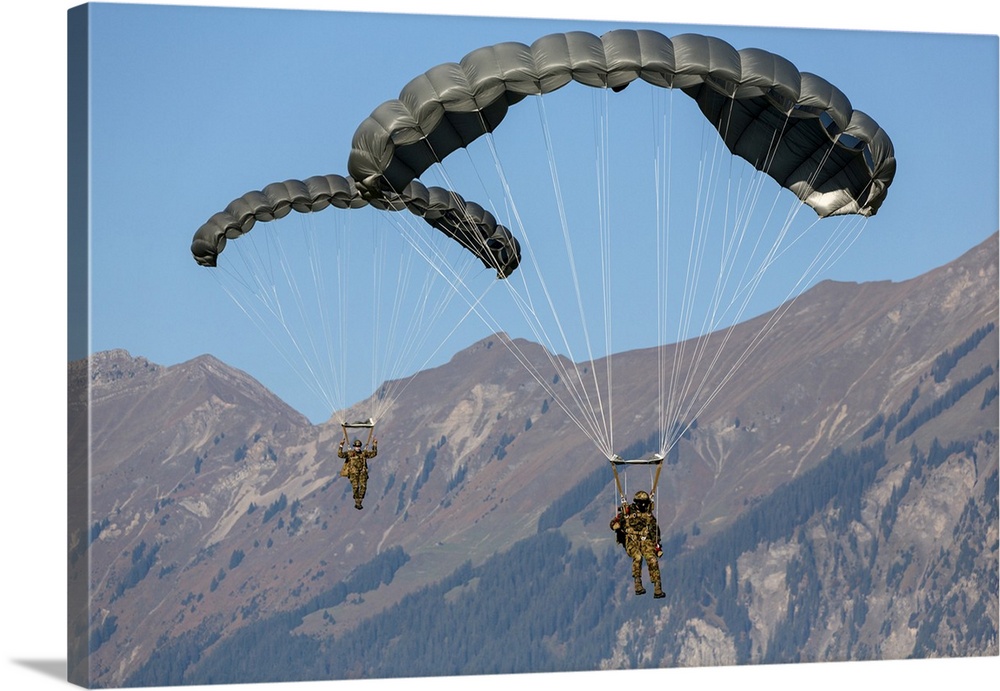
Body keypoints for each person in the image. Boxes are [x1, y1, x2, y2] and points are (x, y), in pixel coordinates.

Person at [610, 490, 665, 598]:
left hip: (646, 541)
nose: (643, 505)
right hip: (631, 540)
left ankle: (657, 586)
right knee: (638, 557)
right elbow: (614, 522)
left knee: (652, 559)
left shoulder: (649, 515)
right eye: (641, 503)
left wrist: (657, 545)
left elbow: (655, 531)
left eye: (645, 502)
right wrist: (615, 525)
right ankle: (637, 582)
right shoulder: (628, 512)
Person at [338, 437, 377, 510]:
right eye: (356, 446)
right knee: (355, 487)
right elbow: (340, 455)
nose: (357, 448)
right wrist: (341, 445)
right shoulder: (350, 453)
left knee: (363, 487)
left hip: (362, 473)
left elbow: (373, 454)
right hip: (353, 473)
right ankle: (357, 501)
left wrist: (374, 444)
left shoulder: (364, 453)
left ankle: (359, 501)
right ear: (354, 446)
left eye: (359, 446)